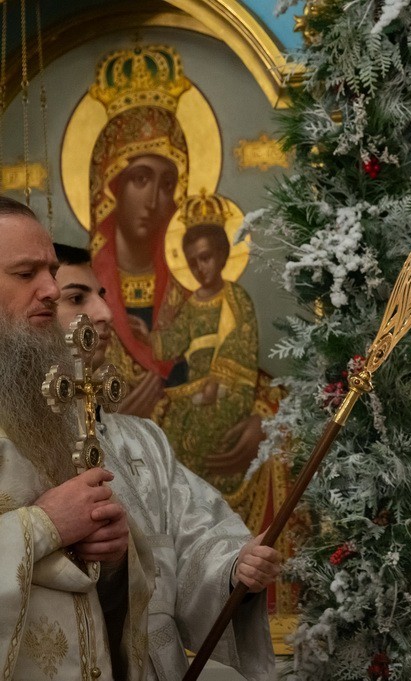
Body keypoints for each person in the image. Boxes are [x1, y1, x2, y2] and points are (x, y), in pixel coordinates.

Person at [53, 241, 280, 680]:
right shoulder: (15, 442)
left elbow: (195, 535)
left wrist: (235, 567)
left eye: (102, 296)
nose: (104, 314)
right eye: (77, 298)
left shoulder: (144, 440)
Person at [0, 196, 150, 680]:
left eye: (51, 271)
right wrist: (45, 525)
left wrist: (112, 555)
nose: (50, 289)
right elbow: (52, 525)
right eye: (26, 274)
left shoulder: (43, 400)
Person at [128, 190, 260, 491]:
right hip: (196, 387)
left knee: (205, 431)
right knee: (172, 427)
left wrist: (220, 381)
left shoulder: (235, 297)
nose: (200, 268)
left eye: (205, 258)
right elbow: (176, 339)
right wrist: (149, 337)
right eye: (192, 263)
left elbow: (241, 341)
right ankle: (184, 498)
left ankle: (211, 495)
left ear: (222, 254)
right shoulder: (193, 302)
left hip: (232, 387)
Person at [88, 44, 193, 419]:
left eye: (167, 185)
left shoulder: (188, 290)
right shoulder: (81, 293)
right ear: (110, 187)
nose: (153, 200)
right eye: (140, 179)